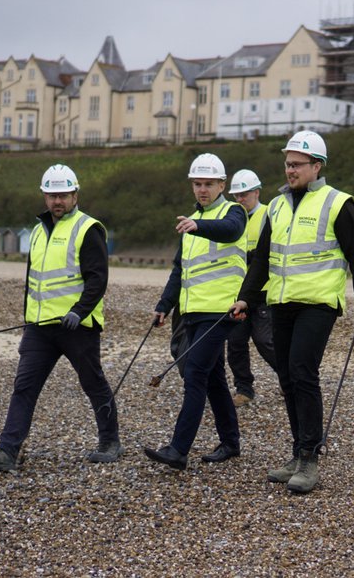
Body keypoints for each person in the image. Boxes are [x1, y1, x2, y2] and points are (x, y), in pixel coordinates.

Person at [231, 130, 354, 495]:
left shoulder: (337, 203)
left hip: (318, 304)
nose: (290, 170)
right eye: (287, 164)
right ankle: (298, 452)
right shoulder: (277, 207)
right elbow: (262, 257)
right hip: (280, 302)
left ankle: (310, 457)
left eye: (296, 165)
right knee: (286, 378)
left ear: (317, 166)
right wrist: (246, 297)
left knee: (302, 372)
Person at [0, 164, 122, 471]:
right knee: (24, 387)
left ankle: (110, 442)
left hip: (77, 327)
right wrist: (29, 318)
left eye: (63, 194)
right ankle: (8, 451)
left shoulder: (88, 228)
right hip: (39, 328)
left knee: (93, 383)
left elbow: (97, 279)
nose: (57, 201)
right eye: (51, 195)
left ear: (75, 194)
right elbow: (34, 281)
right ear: (44, 197)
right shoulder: (38, 232)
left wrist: (79, 311)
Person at [145, 153, 247, 471]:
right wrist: (164, 306)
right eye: (198, 184)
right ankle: (230, 442)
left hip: (221, 311)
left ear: (222, 185)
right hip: (192, 313)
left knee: (195, 374)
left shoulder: (234, 212)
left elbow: (229, 231)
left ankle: (178, 449)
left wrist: (198, 224)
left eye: (209, 184)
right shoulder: (190, 221)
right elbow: (180, 270)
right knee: (214, 378)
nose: (203, 189)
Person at [225, 169, 277, 407]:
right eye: (236, 195)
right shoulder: (235, 219)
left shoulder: (269, 214)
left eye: (244, 194)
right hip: (238, 292)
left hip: (264, 291)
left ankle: (290, 379)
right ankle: (244, 389)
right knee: (235, 343)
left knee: (265, 340)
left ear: (257, 192)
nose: (240, 199)